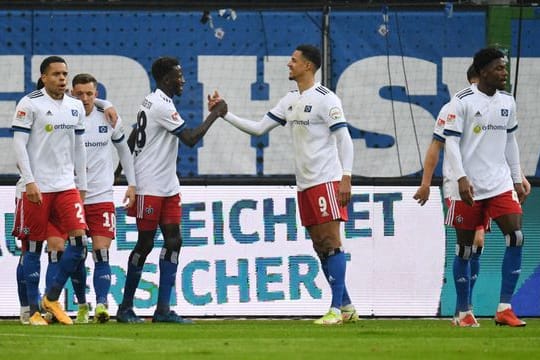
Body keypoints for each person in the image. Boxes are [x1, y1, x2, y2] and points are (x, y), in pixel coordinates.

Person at [209, 44, 358, 325]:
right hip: (304, 185)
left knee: (331, 242)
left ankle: (336, 311)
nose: (289, 64)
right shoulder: (290, 99)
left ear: (309, 66)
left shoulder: (327, 99)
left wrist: (346, 177)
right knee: (319, 246)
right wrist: (223, 114)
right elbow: (258, 128)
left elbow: (344, 139)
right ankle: (347, 306)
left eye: (294, 60)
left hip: (326, 180)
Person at [116, 56, 226, 324]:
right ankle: (125, 308)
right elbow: (189, 139)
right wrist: (216, 113)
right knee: (145, 243)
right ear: (166, 78)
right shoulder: (161, 106)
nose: (183, 80)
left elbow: (133, 135)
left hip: (167, 185)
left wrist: (119, 168)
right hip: (149, 184)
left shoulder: (152, 100)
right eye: (179, 75)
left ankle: (163, 309)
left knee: (174, 241)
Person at [443, 47, 528, 327]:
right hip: (468, 186)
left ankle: (504, 307)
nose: (504, 73)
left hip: (500, 183)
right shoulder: (462, 101)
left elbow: (510, 141)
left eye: (505, 68)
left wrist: (517, 178)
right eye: (498, 68)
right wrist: (461, 177)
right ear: (482, 72)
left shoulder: (507, 101)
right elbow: (451, 142)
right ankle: (463, 311)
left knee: (515, 236)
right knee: (466, 250)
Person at [11, 56, 88, 325]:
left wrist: (83, 185)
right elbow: (19, 145)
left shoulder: (75, 106)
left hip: (66, 186)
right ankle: (32, 310)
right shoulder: (30, 103)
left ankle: (51, 298)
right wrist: (29, 180)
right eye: (56, 74)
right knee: (33, 247)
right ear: (44, 77)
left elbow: (79, 148)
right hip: (37, 187)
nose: (62, 79)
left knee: (80, 243)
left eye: (65, 74)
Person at [70, 73, 137, 323]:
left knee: (101, 252)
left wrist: (132, 184)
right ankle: (81, 305)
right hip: (73, 195)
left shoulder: (108, 118)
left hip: (101, 196)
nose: (85, 98)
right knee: (76, 253)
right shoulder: (67, 118)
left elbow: (124, 151)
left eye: (90, 93)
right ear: (72, 94)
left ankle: (101, 304)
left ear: (96, 93)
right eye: (79, 94)